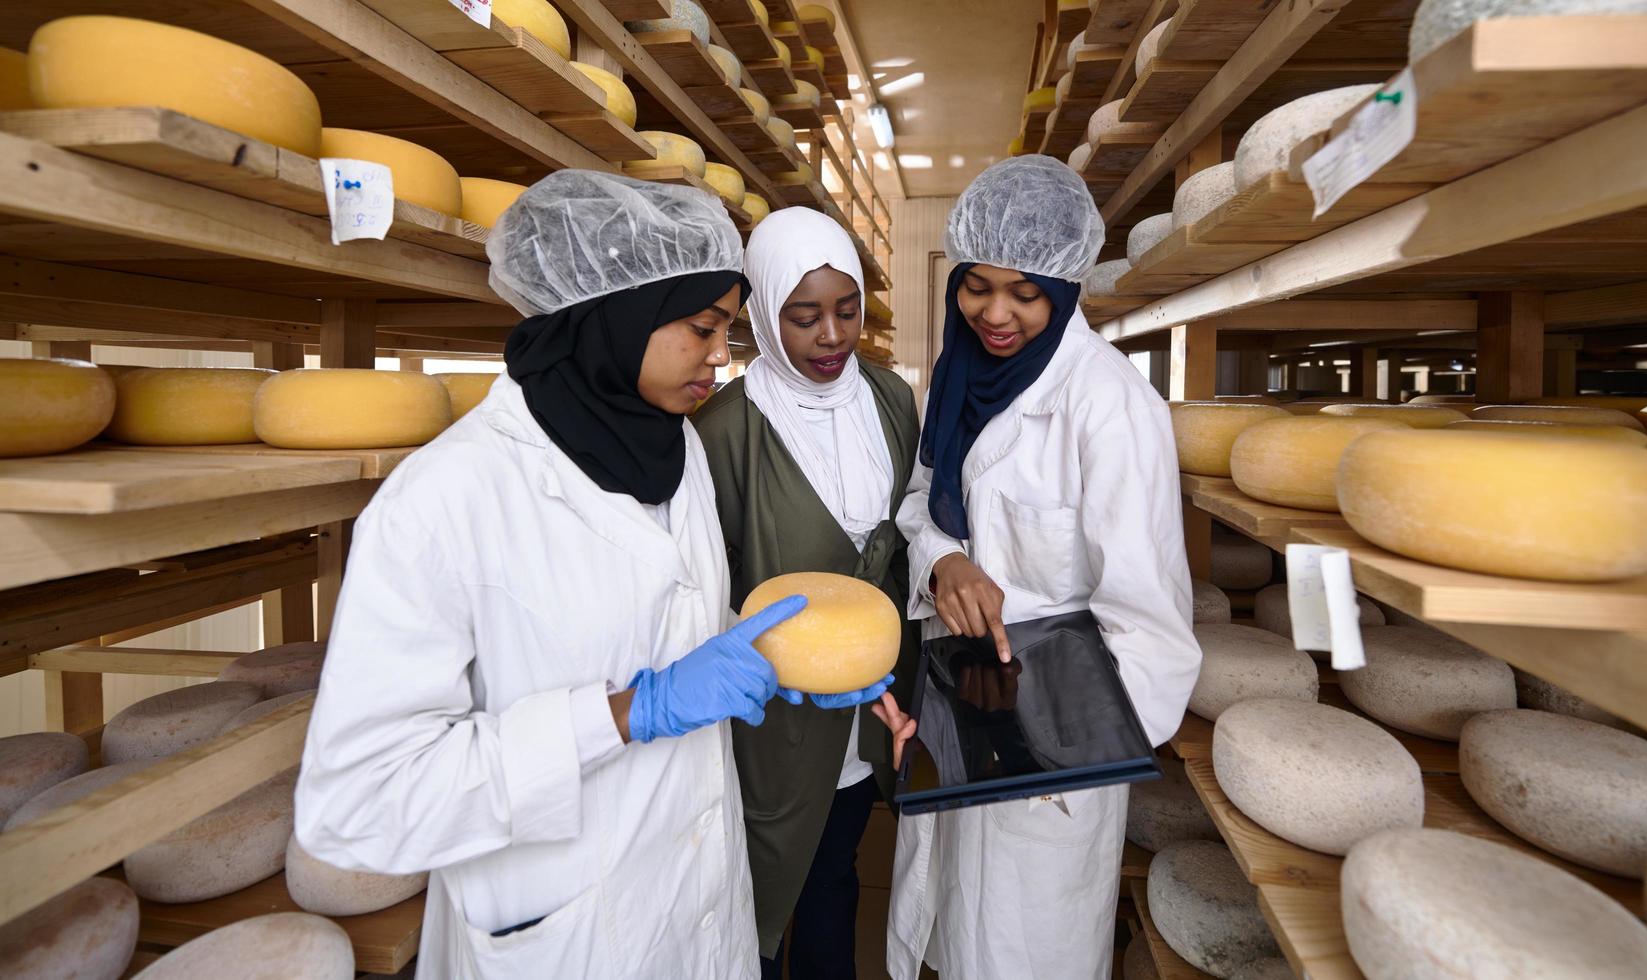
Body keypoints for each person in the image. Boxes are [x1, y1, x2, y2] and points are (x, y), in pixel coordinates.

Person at [293, 171, 806, 978]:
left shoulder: (678, 449)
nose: (721, 357)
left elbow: (662, 614)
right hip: (566, 934)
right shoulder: (447, 497)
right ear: (613, 316)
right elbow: (362, 806)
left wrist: (783, 654)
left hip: (699, 906)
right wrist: (630, 713)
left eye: (728, 331)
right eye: (703, 327)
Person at [878, 156, 1203, 979]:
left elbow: (1149, 623)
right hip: (962, 703)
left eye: (1024, 293)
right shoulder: (957, 376)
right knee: (952, 933)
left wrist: (1059, 751)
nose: (994, 313)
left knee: (1026, 950)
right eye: (975, 286)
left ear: (1064, 286)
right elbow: (920, 500)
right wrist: (945, 558)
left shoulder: (1110, 406)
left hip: (1056, 743)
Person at [692, 207, 921, 979]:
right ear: (760, 315)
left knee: (833, 874)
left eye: (847, 309)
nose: (832, 336)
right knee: (759, 888)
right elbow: (699, 580)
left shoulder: (890, 400)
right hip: (770, 718)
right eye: (803, 317)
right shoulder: (726, 428)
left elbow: (904, 537)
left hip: (863, 704)